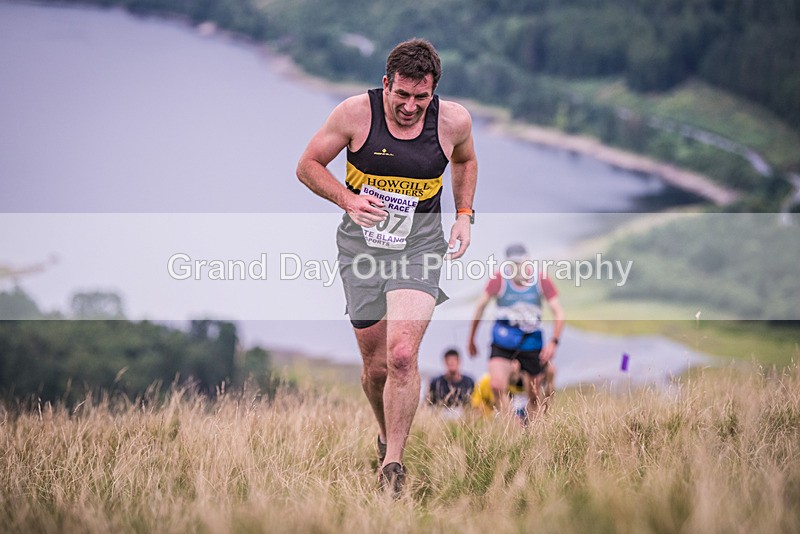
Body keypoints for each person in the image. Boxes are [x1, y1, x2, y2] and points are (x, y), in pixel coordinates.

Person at [296, 38, 477, 497]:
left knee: (401, 355)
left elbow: (466, 159)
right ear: (386, 84)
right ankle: (383, 434)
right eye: (402, 95)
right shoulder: (355, 114)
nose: (411, 106)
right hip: (361, 245)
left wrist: (463, 215)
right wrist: (349, 199)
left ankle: (393, 464)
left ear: (433, 92)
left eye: (422, 97)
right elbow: (307, 165)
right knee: (376, 367)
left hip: (419, 242)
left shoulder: (453, 121)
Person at [467, 243, 564, 418]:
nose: (518, 267)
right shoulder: (499, 279)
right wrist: (471, 338)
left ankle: (534, 430)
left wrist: (553, 342)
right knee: (497, 386)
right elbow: (480, 306)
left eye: (521, 263)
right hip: (503, 340)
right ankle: (514, 431)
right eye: (514, 264)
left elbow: (558, 312)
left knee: (534, 394)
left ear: (528, 261)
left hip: (531, 342)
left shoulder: (541, 280)